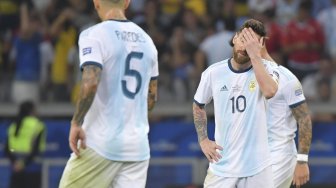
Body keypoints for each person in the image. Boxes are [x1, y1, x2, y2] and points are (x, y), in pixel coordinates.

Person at [59, 0, 159, 187]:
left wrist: (76, 122)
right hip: (137, 149)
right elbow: (151, 98)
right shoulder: (148, 41)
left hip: (100, 143)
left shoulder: (93, 35)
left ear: (96, 2)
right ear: (127, 2)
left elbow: (90, 83)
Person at [193, 19, 279, 188]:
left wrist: (255, 54)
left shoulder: (269, 68)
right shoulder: (213, 72)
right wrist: (203, 140)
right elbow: (198, 104)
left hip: (259, 168)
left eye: (251, 42)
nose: (244, 46)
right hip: (222, 167)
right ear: (234, 38)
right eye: (242, 39)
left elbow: (270, 91)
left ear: (259, 45)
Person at [262, 48, 312, 188]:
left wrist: (302, 161)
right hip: (252, 155)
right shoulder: (244, 77)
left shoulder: (286, 78)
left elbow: (304, 120)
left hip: (279, 154)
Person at [4, 100, 46, 188]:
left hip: (15, 169)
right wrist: (23, 164)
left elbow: (7, 149)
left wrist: (15, 163)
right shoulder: (38, 125)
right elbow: (36, 149)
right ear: (32, 111)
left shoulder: (13, 125)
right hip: (32, 169)